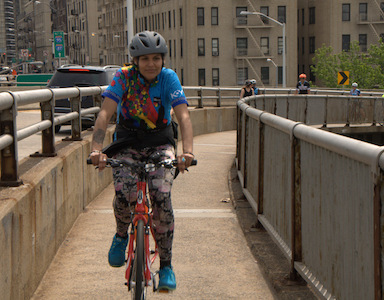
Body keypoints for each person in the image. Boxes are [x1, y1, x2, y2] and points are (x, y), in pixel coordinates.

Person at [89, 31, 194, 291]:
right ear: (134, 60)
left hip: (160, 142)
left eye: (156, 58)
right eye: (144, 58)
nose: (151, 64)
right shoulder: (123, 77)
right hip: (128, 143)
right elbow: (105, 112)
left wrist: (187, 153)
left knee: (161, 194)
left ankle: (166, 264)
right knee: (124, 192)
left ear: (163, 60)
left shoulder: (169, 78)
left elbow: (184, 117)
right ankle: (121, 234)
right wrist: (96, 149)